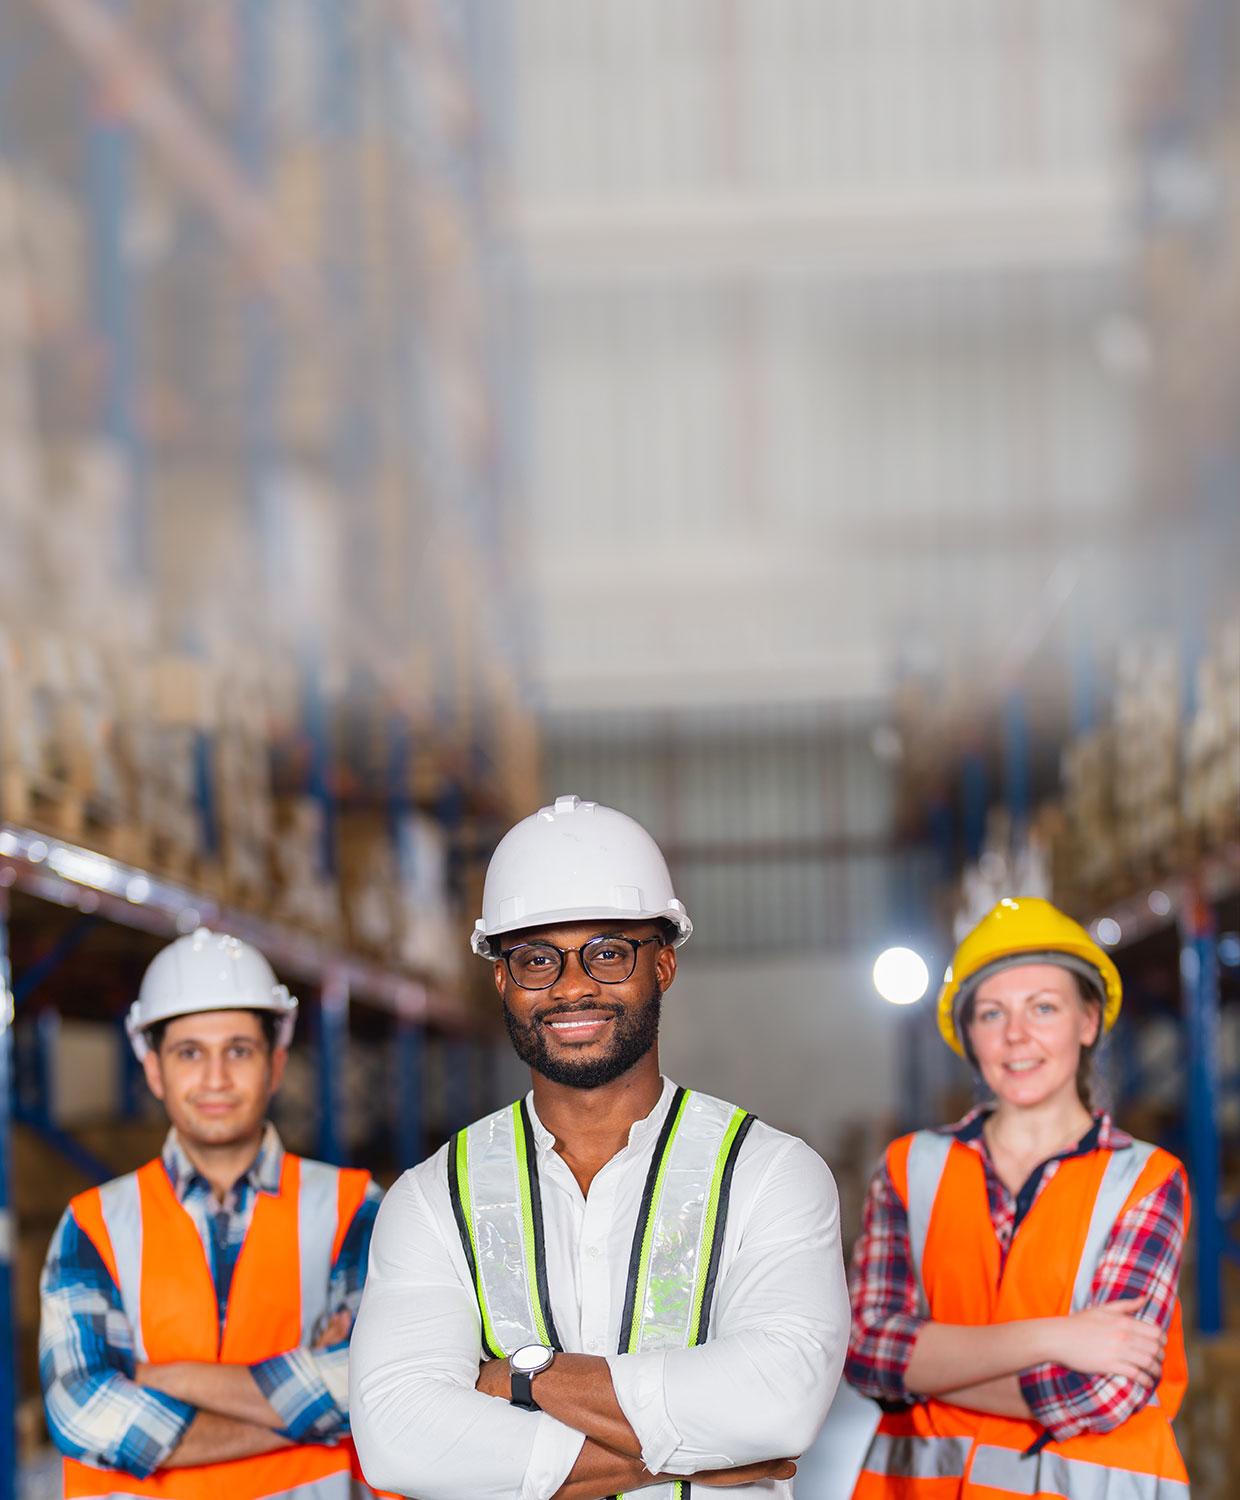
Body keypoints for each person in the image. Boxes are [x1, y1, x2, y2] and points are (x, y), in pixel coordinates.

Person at [351, 793, 849, 1500]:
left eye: (609, 953)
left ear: (664, 965)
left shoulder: (767, 1173)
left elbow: (780, 1402)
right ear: (502, 979)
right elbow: (400, 1440)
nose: (573, 986)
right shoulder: (437, 1197)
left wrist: (521, 1377)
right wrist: (682, 1454)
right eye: (536, 960)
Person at [846, 896, 1190, 1500]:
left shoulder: (1146, 1179)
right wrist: (1054, 1337)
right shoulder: (909, 1167)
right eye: (991, 1014)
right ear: (968, 1034)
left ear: (1088, 1022)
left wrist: (925, 1372)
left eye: (1044, 1008)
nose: (1016, 1036)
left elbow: (1101, 1393)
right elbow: (864, 1352)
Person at [40, 926, 382, 1499]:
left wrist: (163, 1378)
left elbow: (382, 1384)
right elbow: (83, 1410)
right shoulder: (93, 1224)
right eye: (190, 1053)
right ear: (154, 1069)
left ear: (275, 1064)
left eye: (238, 1051)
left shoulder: (354, 1207)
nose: (216, 1078)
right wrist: (312, 1405)